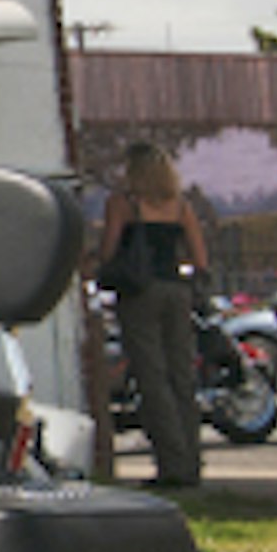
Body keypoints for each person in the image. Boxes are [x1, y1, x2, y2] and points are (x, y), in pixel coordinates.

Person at [98, 142, 213, 488]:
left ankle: (171, 463)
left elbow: (109, 249)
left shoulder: (125, 204)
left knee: (152, 376)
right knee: (182, 376)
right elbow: (200, 259)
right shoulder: (180, 207)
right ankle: (192, 459)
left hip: (139, 292)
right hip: (175, 290)